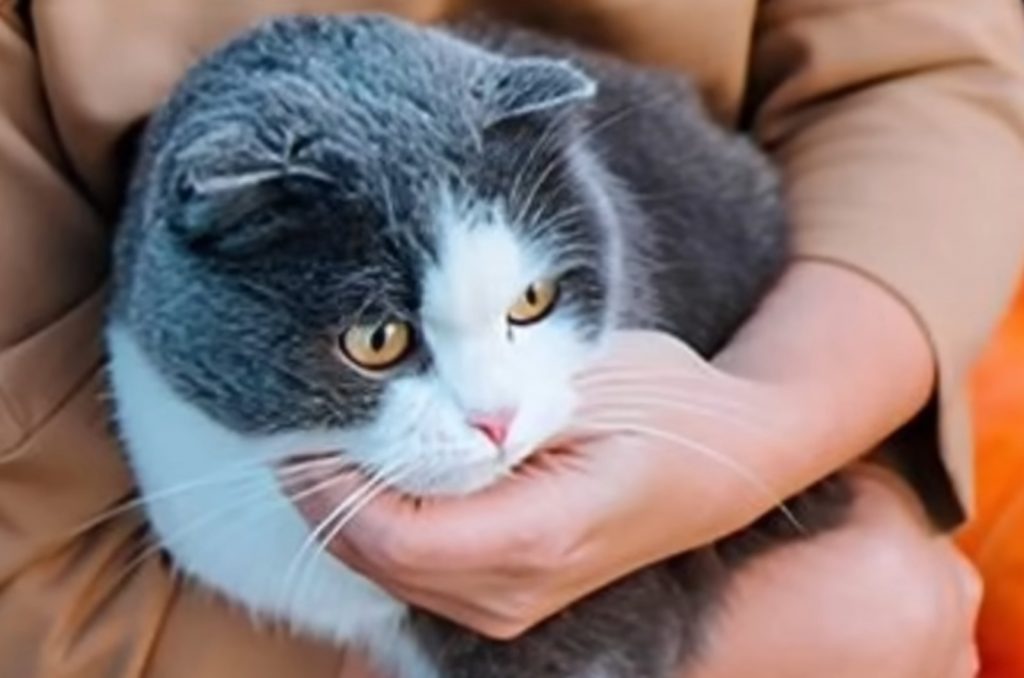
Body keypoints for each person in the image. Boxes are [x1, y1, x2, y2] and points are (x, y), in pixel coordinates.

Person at [0, 1, 1021, 676]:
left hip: (806, 343)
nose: (493, 415)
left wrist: (769, 426)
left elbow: (932, 69)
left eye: (528, 314)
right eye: (380, 346)